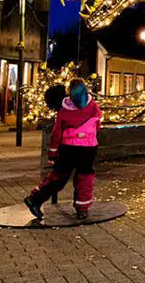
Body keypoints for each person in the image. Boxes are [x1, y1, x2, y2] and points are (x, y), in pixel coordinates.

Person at [24, 79, 101, 220]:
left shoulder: (64, 111)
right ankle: (82, 209)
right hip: (88, 148)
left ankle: (34, 199)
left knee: (59, 177)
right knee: (85, 177)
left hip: (68, 148)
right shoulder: (94, 107)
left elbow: (56, 134)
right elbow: (97, 125)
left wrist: (53, 152)